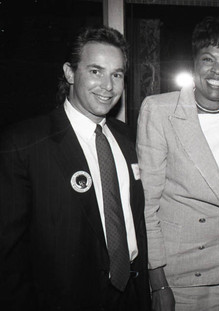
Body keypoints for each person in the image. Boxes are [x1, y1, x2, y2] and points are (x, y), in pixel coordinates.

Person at [0, 26, 151, 310]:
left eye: (117, 74)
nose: (108, 85)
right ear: (70, 73)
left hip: (132, 295)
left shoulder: (129, 138)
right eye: (96, 71)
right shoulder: (24, 144)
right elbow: (8, 259)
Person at [136, 16, 219, 311]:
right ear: (194, 63)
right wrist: (158, 283)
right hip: (176, 274)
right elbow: (148, 205)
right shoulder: (160, 109)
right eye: (208, 59)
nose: (218, 71)